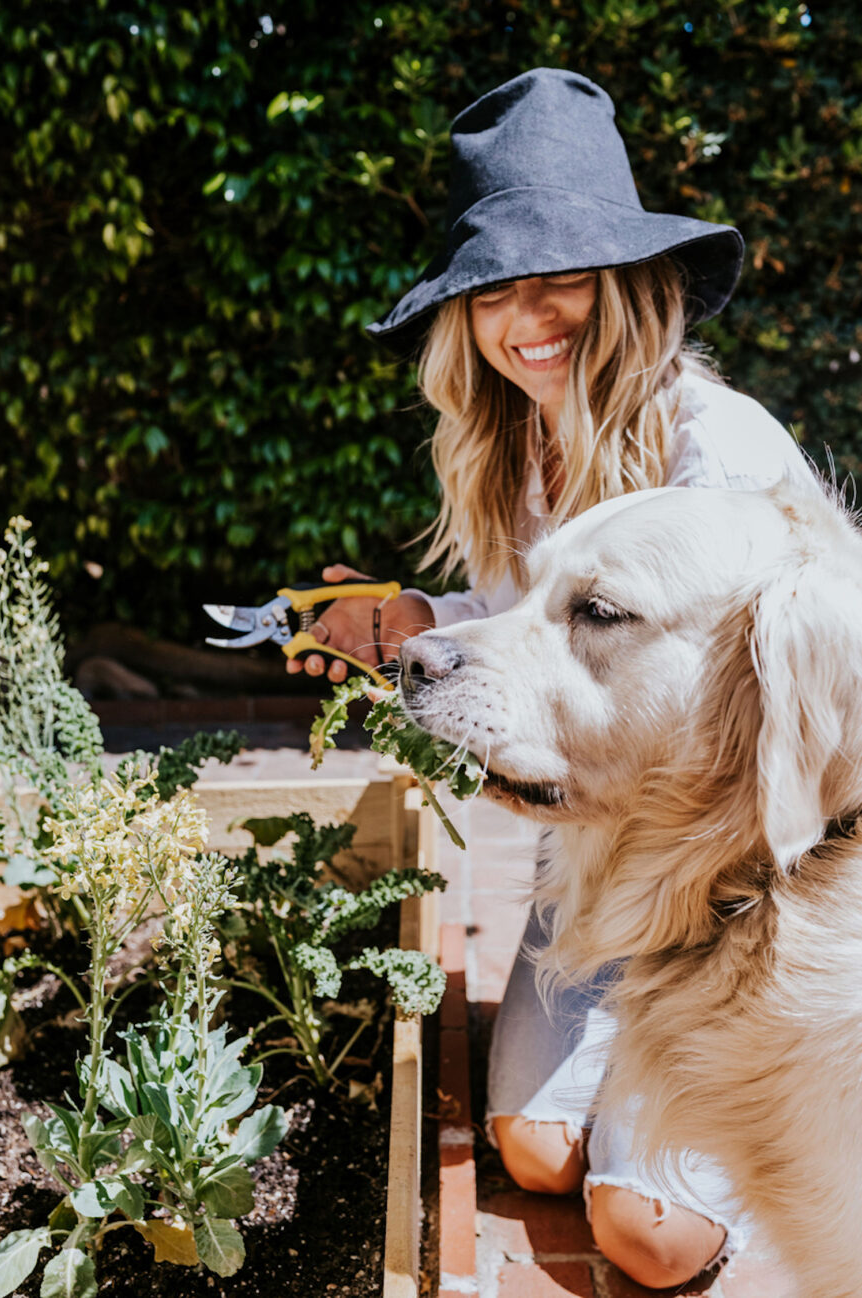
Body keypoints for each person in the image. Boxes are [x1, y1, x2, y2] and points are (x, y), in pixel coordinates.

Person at [289, 68, 813, 1287]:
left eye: (559, 275)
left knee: (647, 1234)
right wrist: (415, 617)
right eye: (491, 288)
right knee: (528, 1147)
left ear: (626, 283)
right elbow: (535, 628)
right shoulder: (516, 442)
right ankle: (652, 1080)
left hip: (730, 881)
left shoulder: (718, 463)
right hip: (592, 852)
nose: (526, 314)